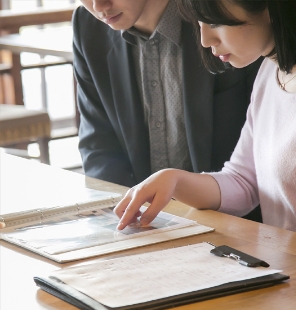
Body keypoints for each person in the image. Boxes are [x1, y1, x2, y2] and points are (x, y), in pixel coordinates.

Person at [114, 0, 296, 243]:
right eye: (199, 23)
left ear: (271, 9)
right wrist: (173, 179)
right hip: (288, 270)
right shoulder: (274, 69)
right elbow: (244, 182)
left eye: (214, 22)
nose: (205, 40)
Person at [73, 0, 262, 192]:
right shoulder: (88, 27)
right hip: (142, 216)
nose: (98, 6)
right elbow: (98, 147)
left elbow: (262, 154)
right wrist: (129, 213)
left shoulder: (220, 11)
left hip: (235, 210)